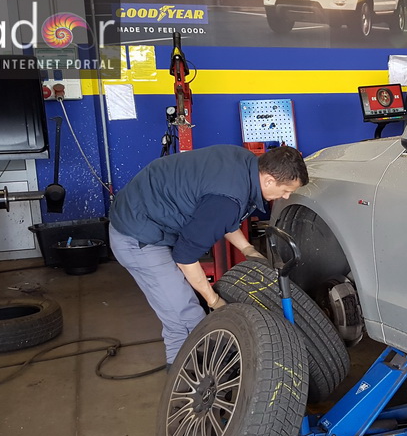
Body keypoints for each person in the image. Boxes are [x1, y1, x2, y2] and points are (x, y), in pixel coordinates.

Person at [109, 144, 308, 367]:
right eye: (286, 190)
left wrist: (247, 249)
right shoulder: (228, 197)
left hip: (149, 214)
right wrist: (214, 301)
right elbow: (185, 256)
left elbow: (220, 215)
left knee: (184, 310)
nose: (287, 195)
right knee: (185, 316)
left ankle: (193, 365)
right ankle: (183, 378)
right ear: (269, 179)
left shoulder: (245, 162)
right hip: (136, 236)